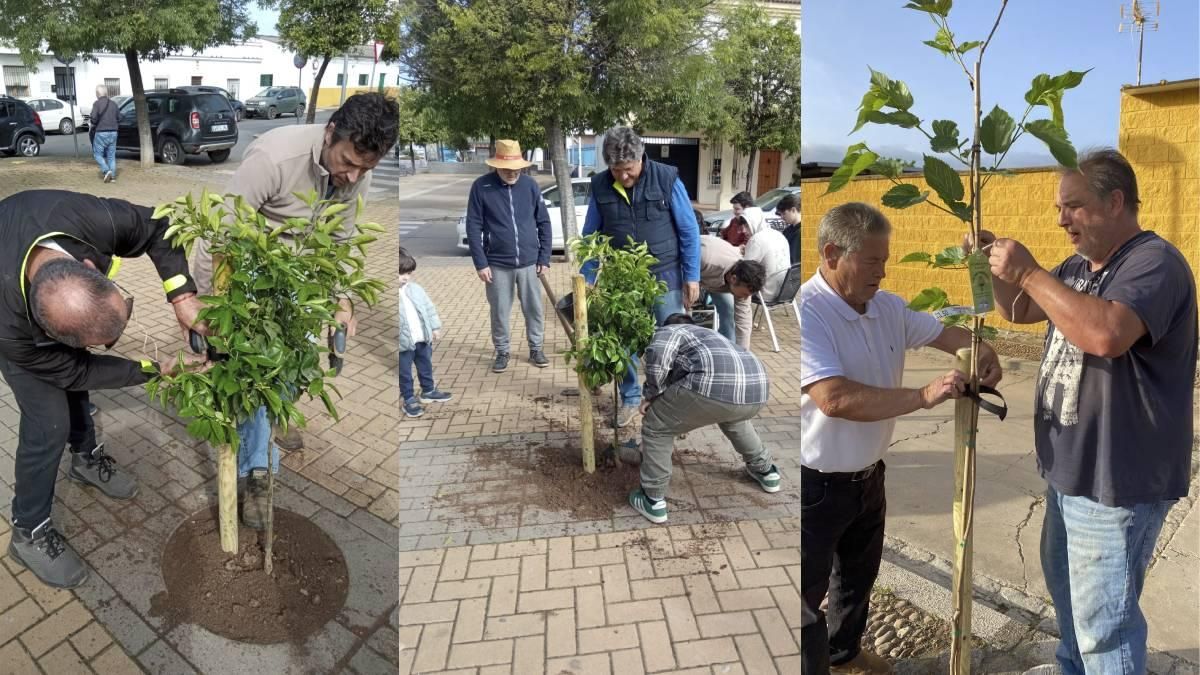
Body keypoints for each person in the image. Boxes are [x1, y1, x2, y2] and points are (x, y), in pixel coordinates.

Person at [971, 149, 1195, 675]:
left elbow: (1105, 334)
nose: (1060, 219)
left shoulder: (1153, 263)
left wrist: (1026, 270)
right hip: (1072, 472)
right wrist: (995, 267)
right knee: (1073, 605)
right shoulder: (1077, 268)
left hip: (1117, 482)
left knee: (1105, 628)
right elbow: (1019, 309)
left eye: (1072, 206)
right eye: (1058, 207)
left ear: (1115, 201)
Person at [800, 202, 1002, 674]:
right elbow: (834, 398)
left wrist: (981, 347)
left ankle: (845, 656)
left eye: (885, 260)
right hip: (817, 486)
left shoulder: (887, 307)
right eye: (872, 261)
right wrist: (924, 395)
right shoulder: (808, 313)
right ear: (833, 253)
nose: (882, 271)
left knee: (856, 578)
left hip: (869, 477)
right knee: (806, 596)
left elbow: (943, 334)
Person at [190, 92, 398, 528]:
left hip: (300, 283)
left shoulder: (358, 172)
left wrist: (341, 299)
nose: (353, 175)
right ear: (329, 134)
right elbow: (218, 235)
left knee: (295, 369)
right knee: (254, 375)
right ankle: (258, 473)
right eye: (347, 162)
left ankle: (276, 414)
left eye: (365, 168)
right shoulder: (274, 159)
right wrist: (207, 307)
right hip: (248, 275)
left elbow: (339, 242)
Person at [0, 190, 209, 589]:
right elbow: (76, 372)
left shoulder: (93, 220)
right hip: (10, 328)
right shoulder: (14, 331)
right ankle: (29, 531)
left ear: (88, 265)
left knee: (75, 395)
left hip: (29, 222)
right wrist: (154, 370)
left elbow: (160, 225)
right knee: (49, 425)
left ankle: (85, 460)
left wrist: (182, 296)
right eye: (98, 344)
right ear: (47, 333)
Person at [581, 126, 701, 427]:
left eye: (628, 169)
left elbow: (688, 230)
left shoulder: (666, 178)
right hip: (622, 281)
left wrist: (692, 276)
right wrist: (589, 276)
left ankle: (670, 404)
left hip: (665, 276)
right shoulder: (600, 185)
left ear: (641, 158)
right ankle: (631, 398)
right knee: (623, 343)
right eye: (616, 169)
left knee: (671, 342)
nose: (622, 176)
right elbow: (591, 236)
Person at [625, 314, 780, 523]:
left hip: (712, 386)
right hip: (757, 392)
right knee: (734, 419)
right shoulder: (710, 336)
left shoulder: (670, 331)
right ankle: (766, 471)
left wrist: (651, 396)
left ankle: (652, 499)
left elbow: (658, 360)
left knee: (656, 426)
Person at [464, 139, 552, 373]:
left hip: (530, 263)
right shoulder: (481, 187)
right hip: (497, 264)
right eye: (507, 169)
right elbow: (473, 226)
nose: (512, 173)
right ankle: (502, 351)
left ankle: (536, 348)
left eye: (517, 169)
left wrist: (544, 258)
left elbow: (543, 222)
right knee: (500, 311)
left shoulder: (531, 186)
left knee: (534, 309)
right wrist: (481, 263)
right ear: (496, 166)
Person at [397, 247, 452, 418]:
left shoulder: (415, 289)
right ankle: (408, 398)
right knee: (404, 372)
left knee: (425, 365)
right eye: (401, 273)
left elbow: (429, 309)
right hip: (404, 344)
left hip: (422, 338)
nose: (406, 277)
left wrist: (435, 327)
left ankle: (428, 391)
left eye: (409, 273)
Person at [699, 236, 764, 348]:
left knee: (729, 310)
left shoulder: (745, 281)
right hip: (687, 264)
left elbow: (743, 323)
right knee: (679, 310)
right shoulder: (707, 259)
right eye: (744, 295)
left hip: (715, 279)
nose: (744, 298)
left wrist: (744, 355)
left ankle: (729, 351)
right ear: (733, 279)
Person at [88, 85, 120, 183]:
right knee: (111, 155)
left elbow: (93, 119)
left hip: (101, 132)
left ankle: (106, 170)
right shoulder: (114, 104)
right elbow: (119, 117)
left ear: (97, 94)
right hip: (114, 132)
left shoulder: (97, 104)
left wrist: (92, 123)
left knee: (97, 154)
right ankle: (113, 176)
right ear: (106, 93)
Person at [775, 193, 801, 264]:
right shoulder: (788, 230)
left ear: (793, 210)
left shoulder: (800, 233)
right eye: (780, 214)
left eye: (784, 213)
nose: (782, 217)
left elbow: (794, 260)